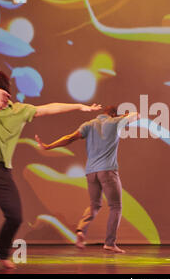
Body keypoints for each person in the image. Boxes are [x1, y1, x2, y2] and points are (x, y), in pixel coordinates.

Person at [0, 68, 102, 270]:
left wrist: (79, 106)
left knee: (15, 216)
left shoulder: (19, 111)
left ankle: (2, 252)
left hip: (1, 171)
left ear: (0, 91)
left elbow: (49, 108)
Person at [35, 105, 139, 254]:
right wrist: (125, 116)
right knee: (116, 206)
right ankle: (110, 243)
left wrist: (48, 146)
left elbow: (69, 138)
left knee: (94, 205)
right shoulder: (115, 122)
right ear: (114, 114)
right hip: (108, 171)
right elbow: (137, 115)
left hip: (91, 172)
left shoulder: (89, 125)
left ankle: (80, 230)